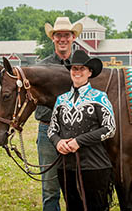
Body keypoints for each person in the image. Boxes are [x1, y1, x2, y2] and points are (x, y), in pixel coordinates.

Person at [47, 50, 116, 211]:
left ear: (89, 72)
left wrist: (79, 141)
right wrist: (58, 143)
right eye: (74, 69)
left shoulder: (100, 97)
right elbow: (52, 130)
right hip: (67, 166)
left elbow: (110, 128)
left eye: (81, 69)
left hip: (94, 166)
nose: (77, 72)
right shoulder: (61, 99)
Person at [35, 17, 83, 211]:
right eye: (58, 35)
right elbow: (38, 106)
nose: (62, 39)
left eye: (66, 35)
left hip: (77, 133)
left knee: (78, 186)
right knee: (50, 189)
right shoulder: (42, 67)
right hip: (48, 130)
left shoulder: (81, 64)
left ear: (73, 38)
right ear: (53, 38)